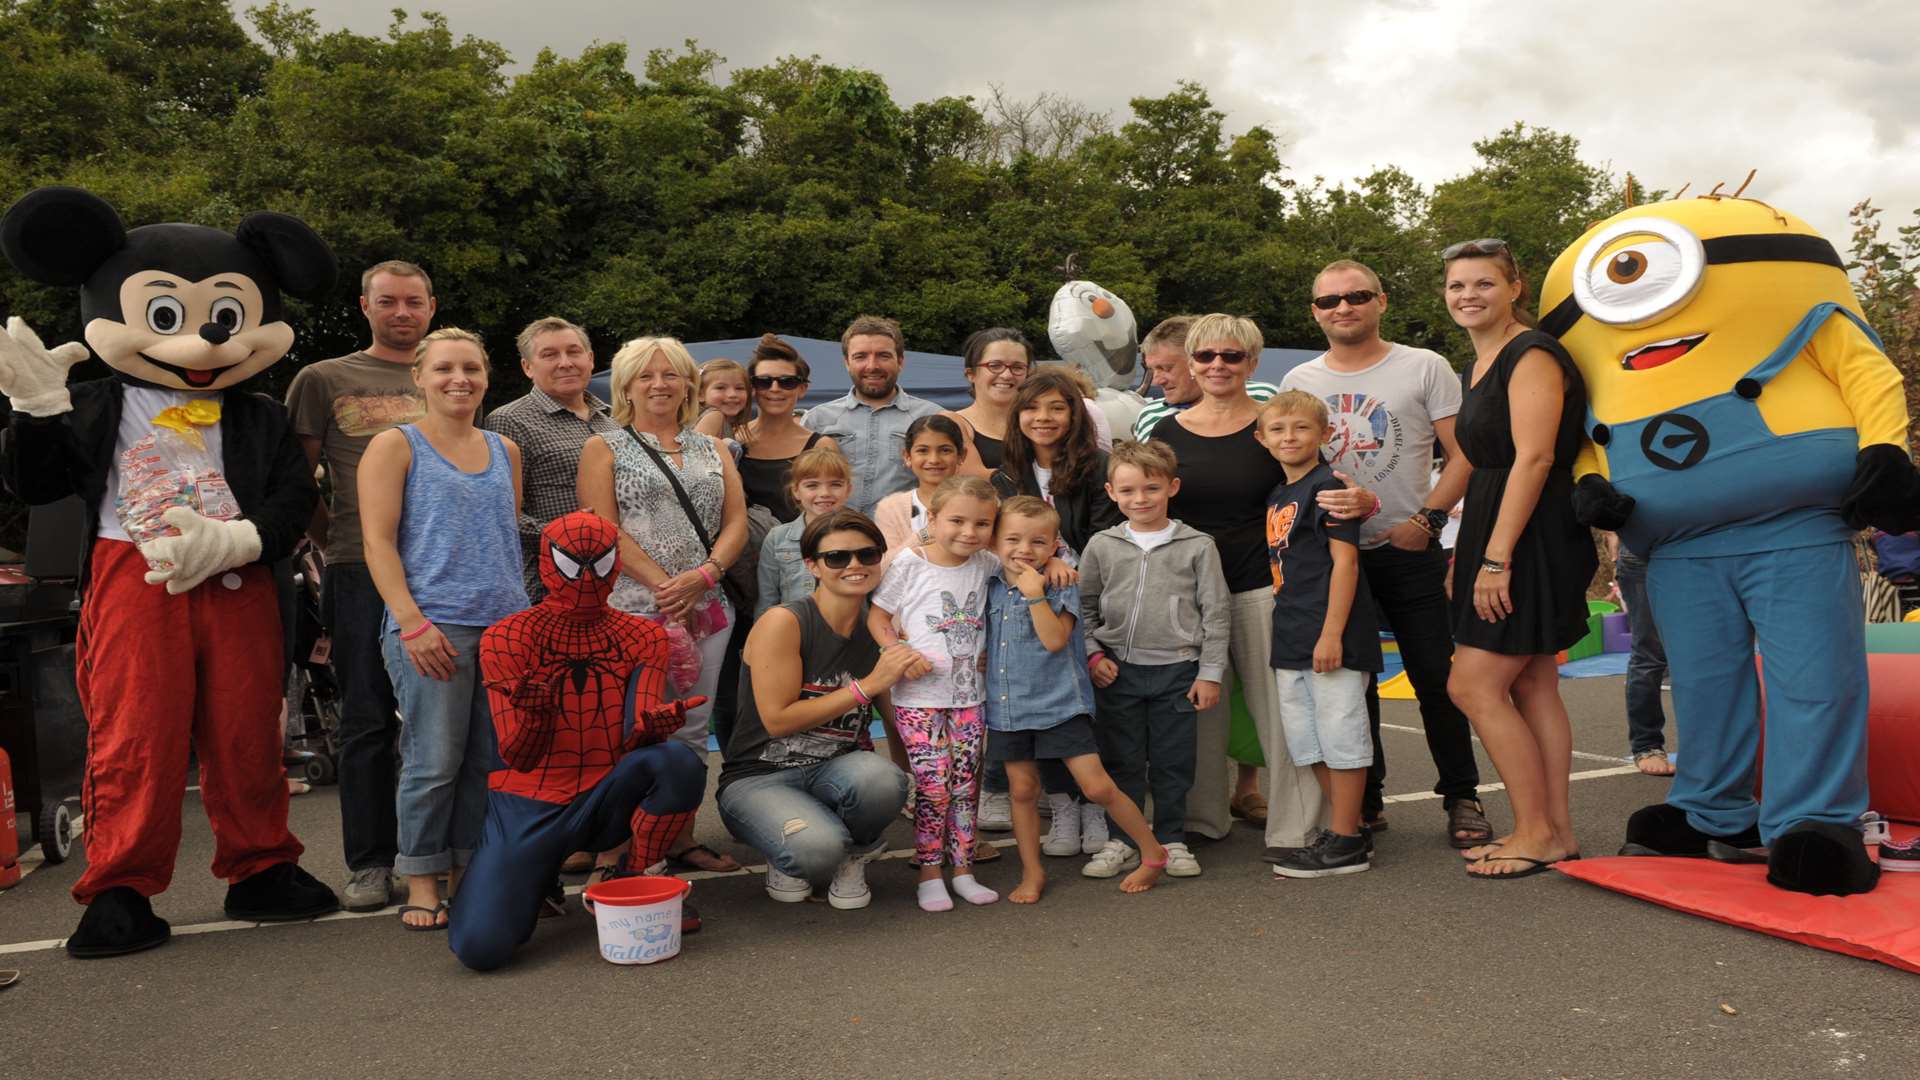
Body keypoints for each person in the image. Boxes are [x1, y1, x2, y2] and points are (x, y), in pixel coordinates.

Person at [1281, 259, 1489, 848]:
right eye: (1329, 301)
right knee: (1351, 686)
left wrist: (1426, 521)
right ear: (1315, 312)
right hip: (1334, 556)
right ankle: (1366, 798)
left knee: (1434, 678)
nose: (1343, 308)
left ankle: (1461, 795)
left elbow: (1465, 452)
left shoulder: (1423, 365)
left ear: (1382, 301)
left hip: (1407, 548)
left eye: (1356, 296)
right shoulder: (1302, 377)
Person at [451, 513, 709, 970]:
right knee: (480, 948)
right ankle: (536, 879)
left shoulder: (643, 634)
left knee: (677, 761)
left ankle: (638, 877)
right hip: (529, 798)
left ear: (616, 565)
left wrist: (654, 726)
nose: (588, 579)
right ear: (548, 565)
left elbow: (636, 734)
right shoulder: (506, 637)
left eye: (601, 563)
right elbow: (518, 755)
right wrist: (536, 715)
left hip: (606, 787)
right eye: (574, 565)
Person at [359, 328, 531, 927]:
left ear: (486, 377)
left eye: (472, 369)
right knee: (433, 761)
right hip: (433, 625)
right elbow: (377, 543)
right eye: (445, 369)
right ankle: (422, 880)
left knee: (487, 760)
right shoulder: (395, 445)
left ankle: (466, 870)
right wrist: (411, 622)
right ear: (420, 377)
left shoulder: (505, 450)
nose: (459, 379)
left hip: (503, 627)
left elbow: (501, 540)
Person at [1145, 314, 1332, 855]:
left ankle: (1298, 826)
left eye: (1231, 356)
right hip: (1189, 592)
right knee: (1199, 712)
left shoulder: (1273, 426)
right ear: (1191, 364)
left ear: (1252, 362)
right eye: (1206, 357)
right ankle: (1200, 819)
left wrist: (1356, 500)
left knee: (1283, 712)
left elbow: (1319, 486)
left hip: (1263, 588)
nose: (1218, 366)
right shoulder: (1166, 431)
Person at [1439, 239, 1596, 879]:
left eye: (1482, 283)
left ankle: (1535, 831)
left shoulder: (1530, 354)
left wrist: (1496, 558)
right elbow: (1477, 459)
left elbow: (1533, 458)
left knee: (1472, 684)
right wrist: (1433, 523)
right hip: (1495, 523)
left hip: (1530, 532)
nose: (1468, 295)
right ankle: (1553, 831)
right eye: (1456, 286)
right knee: (1532, 682)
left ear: (1514, 288)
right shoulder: (1479, 363)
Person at [285, 259, 433, 913]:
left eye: (413, 302)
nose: (402, 312)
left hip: (439, 570)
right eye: (388, 302)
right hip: (357, 570)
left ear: (431, 306)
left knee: (441, 719)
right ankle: (370, 863)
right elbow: (299, 479)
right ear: (365, 306)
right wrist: (334, 536)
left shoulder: (445, 373)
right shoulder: (324, 378)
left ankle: (437, 852)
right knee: (369, 718)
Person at [578, 335, 750, 874]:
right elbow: (602, 528)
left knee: (694, 730)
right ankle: (618, 843)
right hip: (631, 614)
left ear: (687, 384)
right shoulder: (604, 447)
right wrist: (665, 586)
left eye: (671, 374)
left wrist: (705, 575)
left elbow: (737, 523)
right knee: (630, 727)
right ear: (626, 385)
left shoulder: (714, 449)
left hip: (708, 609)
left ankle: (679, 837)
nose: (659, 384)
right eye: (646, 375)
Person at [719, 510, 920, 907]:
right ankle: (792, 850)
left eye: (867, 555)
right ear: (811, 564)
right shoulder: (785, 622)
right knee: (815, 850)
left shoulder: (879, 629)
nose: (855, 566)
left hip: (835, 768)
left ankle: (853, 854)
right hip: (759, 776)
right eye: (837, 557)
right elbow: (777, 720)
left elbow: (897, 721)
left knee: (885, 781)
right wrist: (866, 687)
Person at [986, 496, 1169, 902]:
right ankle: (1033, 872)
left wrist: (1036, 593)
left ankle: (1153, 852)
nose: (1024, 550)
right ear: (994, 543)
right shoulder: (990, 584)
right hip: (1007, 707)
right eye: (1012, 539)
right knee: (1021, 791)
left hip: (1060, 704)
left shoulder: (1060, 583)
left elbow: (1054, 640)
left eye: (1038, 543)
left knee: (1097, 786)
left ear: (1054, 547)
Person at [1080, 439, 1229, 880]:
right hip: (1116, 673)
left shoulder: (1198, 546)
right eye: (1127, 491)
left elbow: (1216, 614)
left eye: (1150, 488)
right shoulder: (1102, 545)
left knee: (1172, 761)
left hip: (1178, 672)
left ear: (1172, 487)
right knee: (1122, 760)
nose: (1139, 499)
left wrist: (1210, 674)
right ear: (1111, 493)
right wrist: (1092, 655)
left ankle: (1171, 838)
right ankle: (1122, 840)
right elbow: (1084, 608)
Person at [989, 366, 1123, 854]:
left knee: (1081, 712)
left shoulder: (1100, 468)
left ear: (1075, 414)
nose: (1043, 418)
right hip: (1026, 605)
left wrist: (1066, 567)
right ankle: (1064, 808)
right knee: (1037, 708)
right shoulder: (1005, 475)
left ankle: (1095, 809)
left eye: (1056, 407)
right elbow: (1002, 543)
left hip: (1084, 600)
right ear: (1017, 414)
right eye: (1032, 407)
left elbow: (1105, 541)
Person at [1254, 391, 1386, 877]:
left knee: (1342, 736)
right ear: (1262, 438)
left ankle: (1346, 838)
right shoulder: (1279, 494)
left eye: (1301, 428)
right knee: (1308, 743)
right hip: (1291, 634)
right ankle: (1348, 829)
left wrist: (1332, 634)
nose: (1290, 437)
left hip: (1332, 636)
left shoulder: (1328, 486)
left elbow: (1345, 563)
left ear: (1326, 434)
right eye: (1279, 429)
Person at [867, 475, 1006, 911]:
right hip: (917, 699)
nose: (969, 532)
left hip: (970, 696)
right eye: (958, 520)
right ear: (933, 518)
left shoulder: (987, 564)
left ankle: (963, 869)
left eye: (982, 523)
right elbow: (878, 617)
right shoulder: (911, 562)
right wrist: (899, 650)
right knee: (933, 786)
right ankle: (930, 871)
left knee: (966, 785)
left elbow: (1019, 575)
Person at [481, 316, 621, 603]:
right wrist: (571, 534)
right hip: (551, 585)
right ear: (527, 367)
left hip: (618, 582)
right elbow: (502, 514)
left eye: (573, 351)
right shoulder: (510, 421)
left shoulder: (613, 423)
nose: (565, 362)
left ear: (591, 359)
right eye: (549, 355)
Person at [801, 315, 941, 514]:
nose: (872, 366)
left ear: (900, 361)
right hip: (833, 535)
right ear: (847, 362)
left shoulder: (931, 417)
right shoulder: (817, 420)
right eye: (861, 356)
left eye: (883, 356)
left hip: (904, 536)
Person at [733, 334, 839, 522]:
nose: (775, 388)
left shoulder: (821, 446)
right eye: (764, 381)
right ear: (752, 388)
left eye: (787, 382)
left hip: (798, 547)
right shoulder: (732, 438)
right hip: (740, 548)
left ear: (802, 388)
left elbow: (828, 511)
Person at [1130, 315, 1280, 442]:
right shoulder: (1149, 415)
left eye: (1167, 368)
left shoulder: (1266, 397)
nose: (1157, 381)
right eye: (1152, 370)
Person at [756, 444, 856, 616]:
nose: (824, 493)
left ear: (848, 490)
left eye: (835, 484)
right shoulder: (777, 538)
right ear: (796, 491)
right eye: (812, 485)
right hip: (792, 632)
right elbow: (767, 600)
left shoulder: (862, 535)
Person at [1605, 532, 1672, 775]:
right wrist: (1612, 531)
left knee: (1708, 655)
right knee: (1649, 652)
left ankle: (1713, 747)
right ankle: (1647, 744)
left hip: (1701, 543)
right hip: (1643, 548)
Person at [873, 413, 969, 560]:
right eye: (923, 450)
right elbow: (883, 566)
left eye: (945, 450)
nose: (934, 460)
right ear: (907, 456)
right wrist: (924, 535)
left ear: (961, 455)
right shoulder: (891, 508)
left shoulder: (980, 504)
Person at [944, 327, 1033, 475]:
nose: (1006, 375)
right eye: (995, 366)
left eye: (1017, 367)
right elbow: (976, 482)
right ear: (970, 373)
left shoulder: (1040, 422)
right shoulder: (953, 424)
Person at [692, 357, 753, 445]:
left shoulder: (726, 424)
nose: (732, 394)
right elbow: (696, 452)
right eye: (720, 388)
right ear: (700, 394)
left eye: (739, 388)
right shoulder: (714, 416)